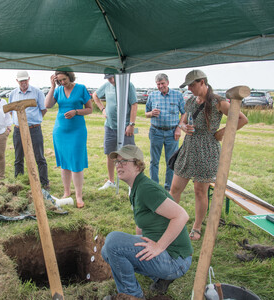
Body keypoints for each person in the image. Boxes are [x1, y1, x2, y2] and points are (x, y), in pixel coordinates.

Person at [102, 145, 193, 300]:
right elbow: (141, 224)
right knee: (107, 251)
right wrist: (136, 244)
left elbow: (182, 216)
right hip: (167, 256)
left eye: (124, 161)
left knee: (113, 241)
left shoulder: (146, 189)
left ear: (138, 165)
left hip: (176, 260)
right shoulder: (136, 188)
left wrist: (159, 246)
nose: (118, 165)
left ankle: (131, 295)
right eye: (117, 162)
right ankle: (160, 279)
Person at [170, 70, 248, 240]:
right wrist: (183, 128)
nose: (189, 88)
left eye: (192, 85)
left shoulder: (217, 102)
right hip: (188, 148)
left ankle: (197, 227)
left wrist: (222, 132)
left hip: (207, 150)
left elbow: (242, 119)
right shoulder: (190, 101)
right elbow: (182, 121)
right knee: (175, 188)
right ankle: (169, 221)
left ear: (203, 82)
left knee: (200, 191)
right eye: (188, 85)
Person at [45, 71, 92, 208]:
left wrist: (76, 112)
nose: (62, 82)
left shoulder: (81, 88)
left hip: (77, 130)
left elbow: (90, 109)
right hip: (60, 130)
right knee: (64, 162)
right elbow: (47, 105)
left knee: (76, 162)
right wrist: (53, 86)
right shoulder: (58, 90)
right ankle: (66, 192)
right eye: (59, 80)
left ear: (70, 77)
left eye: (64, 79)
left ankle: (78, 196)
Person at [92, 74, 138, 191]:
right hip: (110, 126)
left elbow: (134, 104)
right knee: (110, 154)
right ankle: (111, 181)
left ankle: (131, 184)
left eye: (112, 77)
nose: (110, 80)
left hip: (125, 127)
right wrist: (103, 109)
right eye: (108, 78)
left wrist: (131, 124)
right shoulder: (107, 85)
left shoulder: (128, 85)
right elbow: (95, 95)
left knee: (128, 155)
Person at [9, 71, 49, 189]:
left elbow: (43, 109)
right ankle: (19, 182)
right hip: (18, 130)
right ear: (17, 81)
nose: (23, 83)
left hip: (34, 129)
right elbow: (11, 111)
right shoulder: (12, 94)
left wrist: (34, 120)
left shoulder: (37, 92)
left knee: (39, 156)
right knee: (18, 157)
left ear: (29, 79)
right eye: (21, 81)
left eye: (25, 80)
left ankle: (44, 182)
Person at [145, 73, 185, 192]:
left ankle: (169, 188)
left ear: (167, 83)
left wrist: (179, 128)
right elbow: (146, 113)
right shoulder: (152, 95)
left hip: (172, 133)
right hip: (156, 131)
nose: (160, 86)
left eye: (162, 83)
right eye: (158, 84)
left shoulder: (177, 95)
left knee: (171, 161)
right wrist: (151, 113)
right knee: (154, 161)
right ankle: (154, 186)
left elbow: (184, 113)